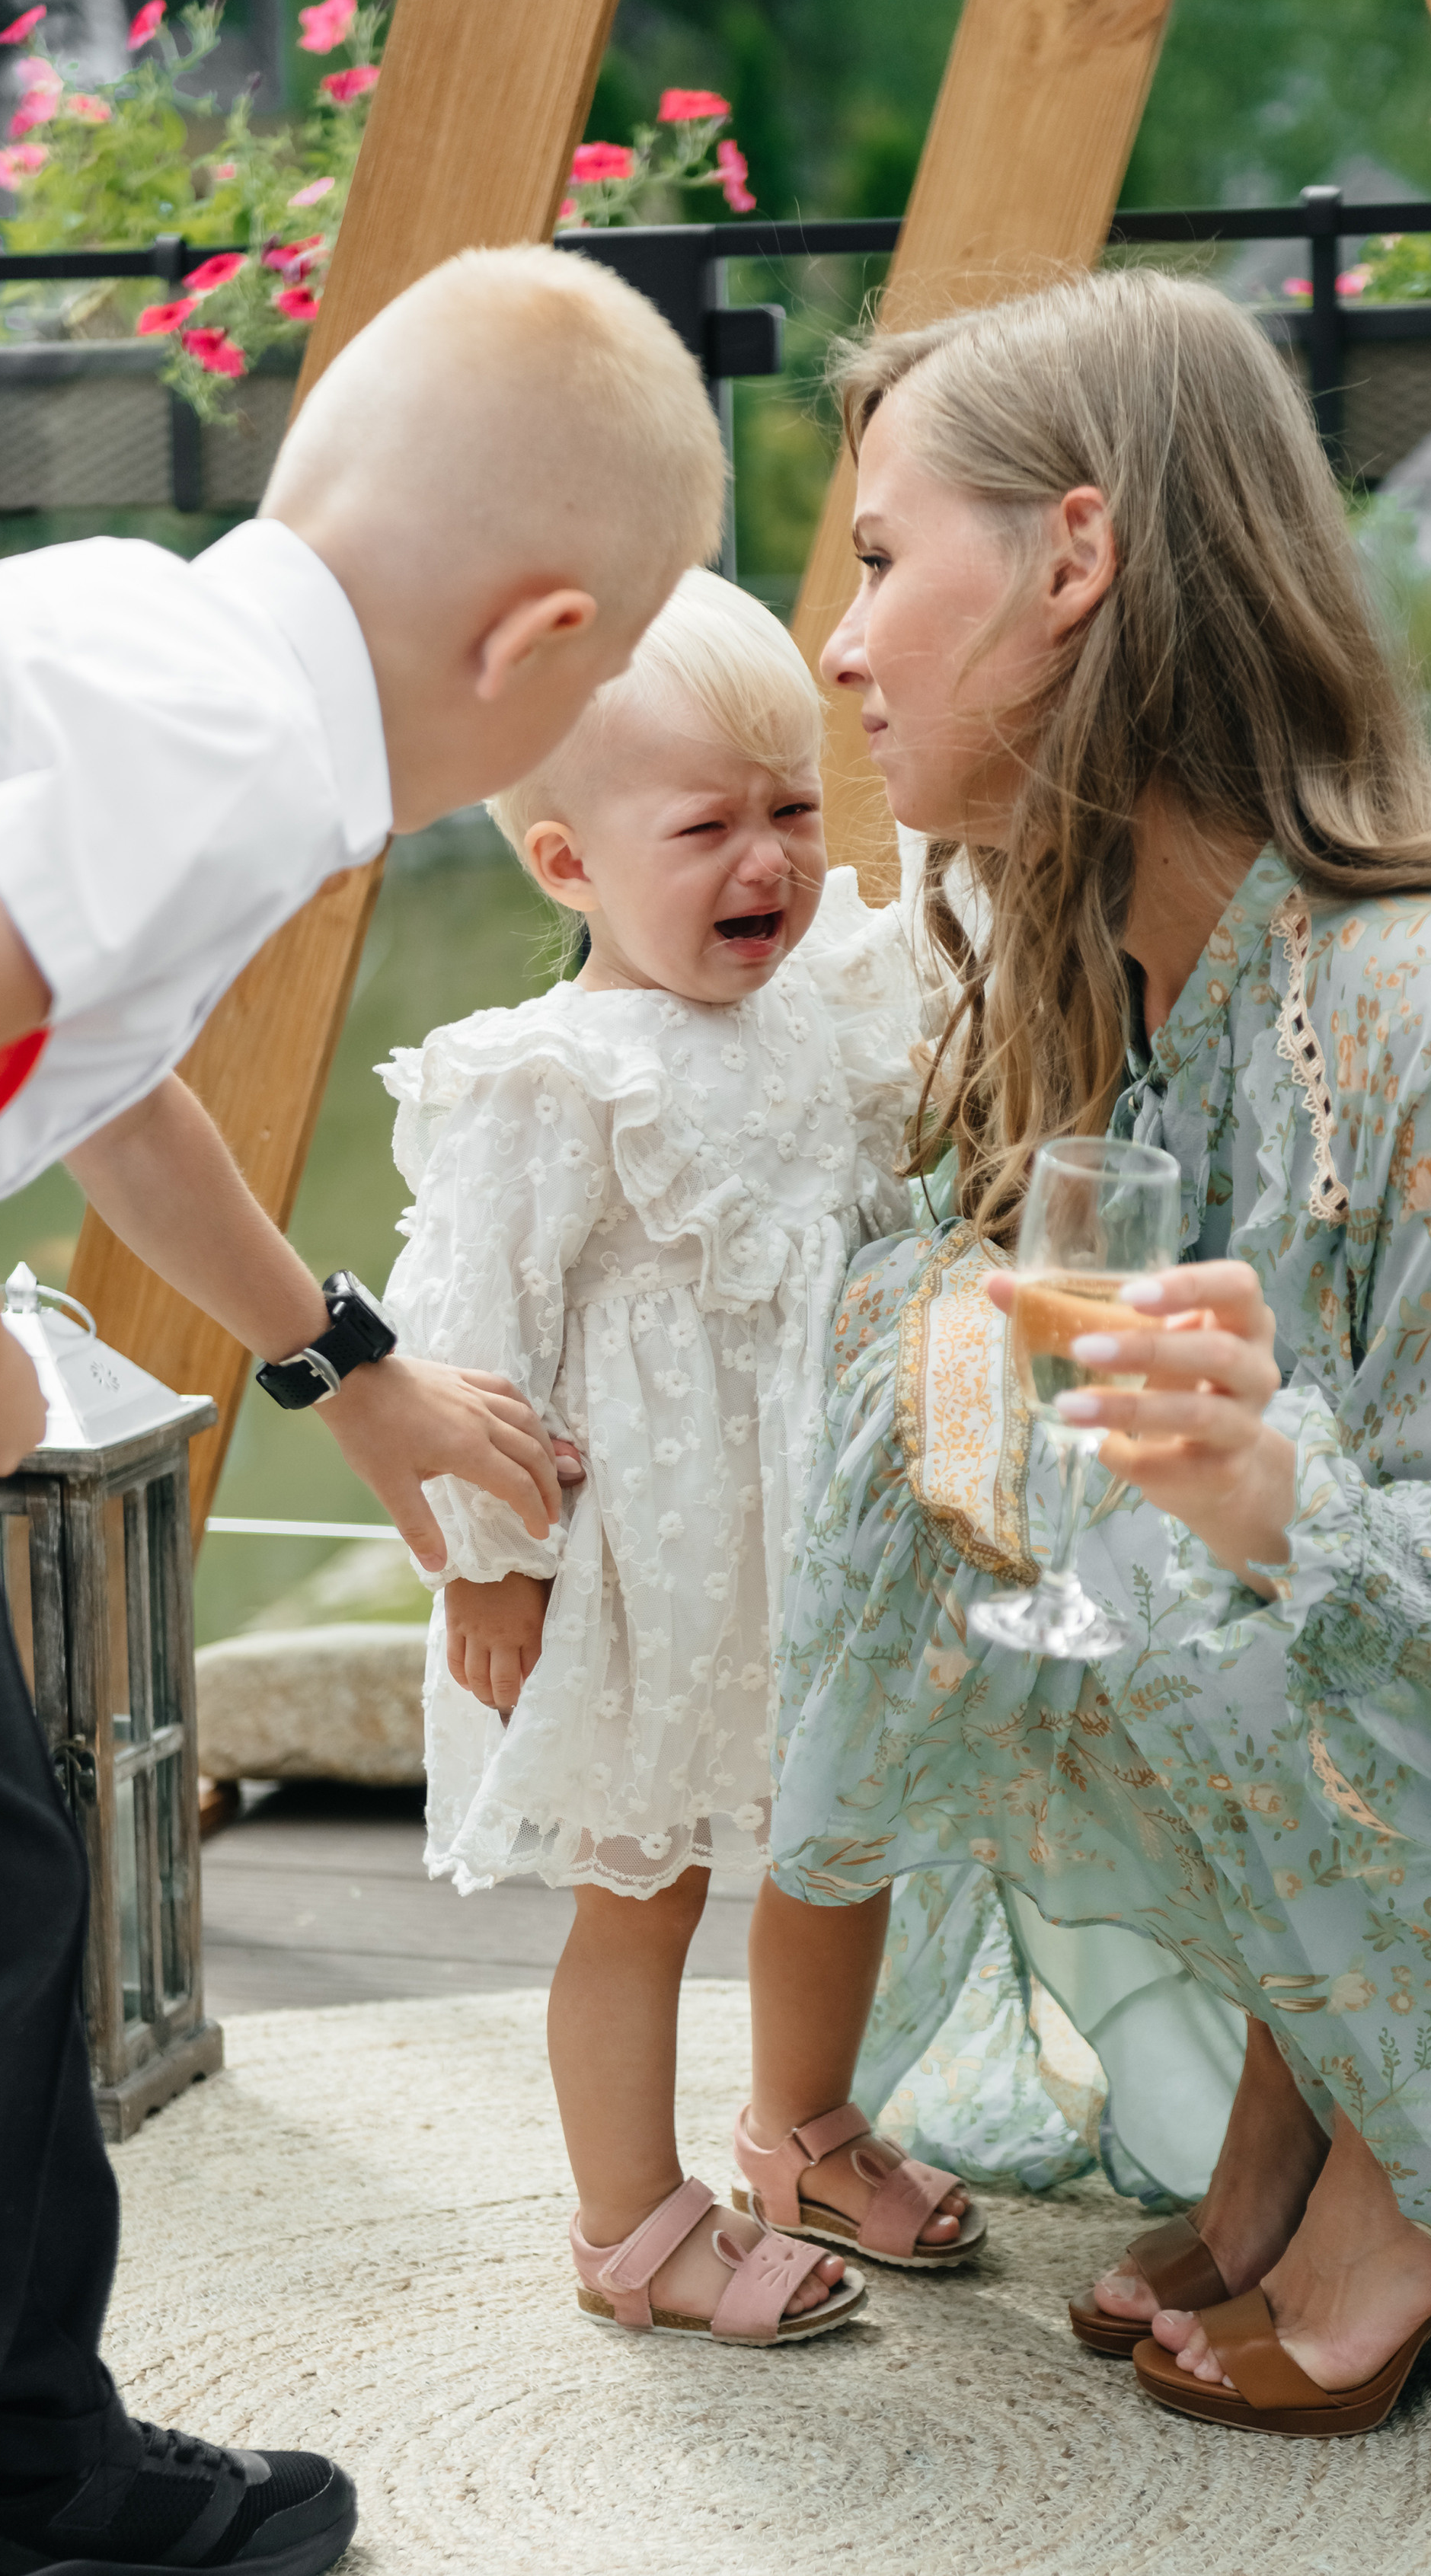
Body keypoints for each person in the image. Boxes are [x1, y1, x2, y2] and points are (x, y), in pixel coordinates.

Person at [0, 244, 724, 2574]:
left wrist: (360, 1365)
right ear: (535, 648)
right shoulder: (226, 744)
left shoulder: (171, 646)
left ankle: (31, 2476)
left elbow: (105, 1084)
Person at [752, 264, 1431, 2435]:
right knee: (1016, 1451)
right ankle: (1301, 2097)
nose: (841, 648)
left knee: (1174, 1507)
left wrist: (1273, 1501)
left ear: (1078, 553)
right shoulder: (1135, 994)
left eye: (879, 561)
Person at [379, 567, 977, 2346]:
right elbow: (463, 1342)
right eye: (707, 826)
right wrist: (490, 1562)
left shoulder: (829, 1013)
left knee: (835, 1834)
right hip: (638, 1567)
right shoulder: (550, 1081)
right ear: (568, 864)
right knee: (644, 1886)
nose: (772, 863)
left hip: (817, 1537)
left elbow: (924, 1102)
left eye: (795, 810)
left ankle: (799, 2125)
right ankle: (628, 2218)